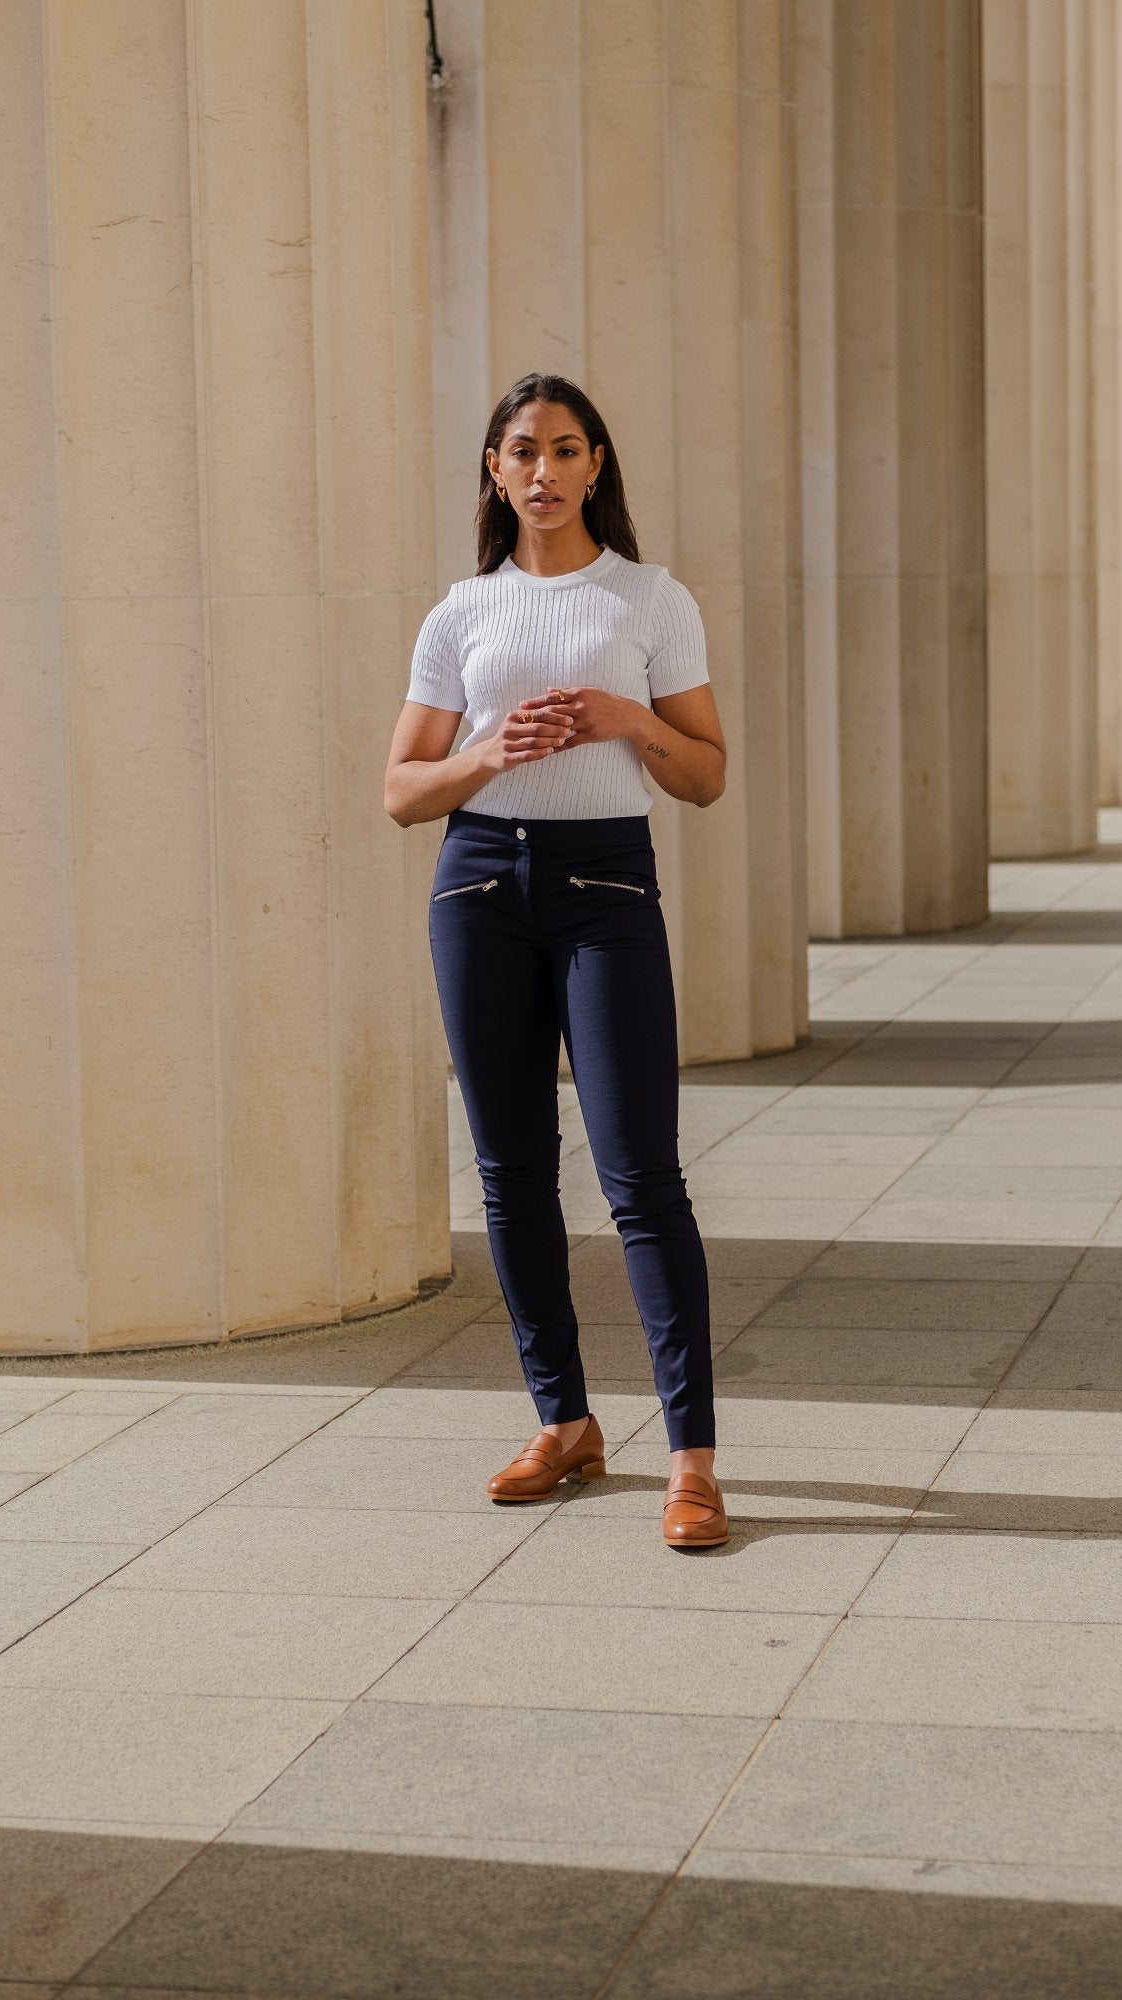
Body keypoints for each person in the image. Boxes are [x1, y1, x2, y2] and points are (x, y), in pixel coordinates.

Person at [384, 372, 729, 1549]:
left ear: (595, 466)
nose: (542, 469)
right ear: (494, 467)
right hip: (477, 887)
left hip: (605, 888)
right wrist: (484, 756)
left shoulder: (649, 597)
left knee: (641, 1174)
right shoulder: (458, 613)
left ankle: (692, 1455)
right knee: (511, 1171)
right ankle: (564, 1420)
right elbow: (398, 792)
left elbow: (704, 772)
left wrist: (626, 719)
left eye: (564, 449)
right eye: (521, 450)